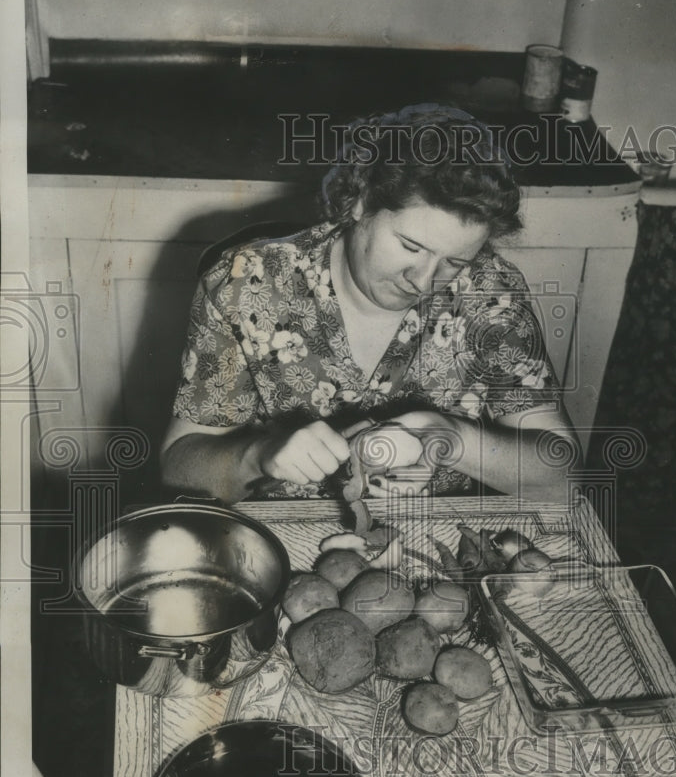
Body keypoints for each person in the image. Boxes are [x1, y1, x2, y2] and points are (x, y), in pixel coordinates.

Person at [161, 104, 576, 504]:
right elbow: (177, 465)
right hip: (279, 537)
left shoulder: (489, 293)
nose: (424, 281)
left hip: (437, 537)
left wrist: (448, 436)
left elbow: (563, 477)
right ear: (359, 201)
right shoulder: (248, 282)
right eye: (411, 245)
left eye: (455, 261)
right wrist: (257, 456)